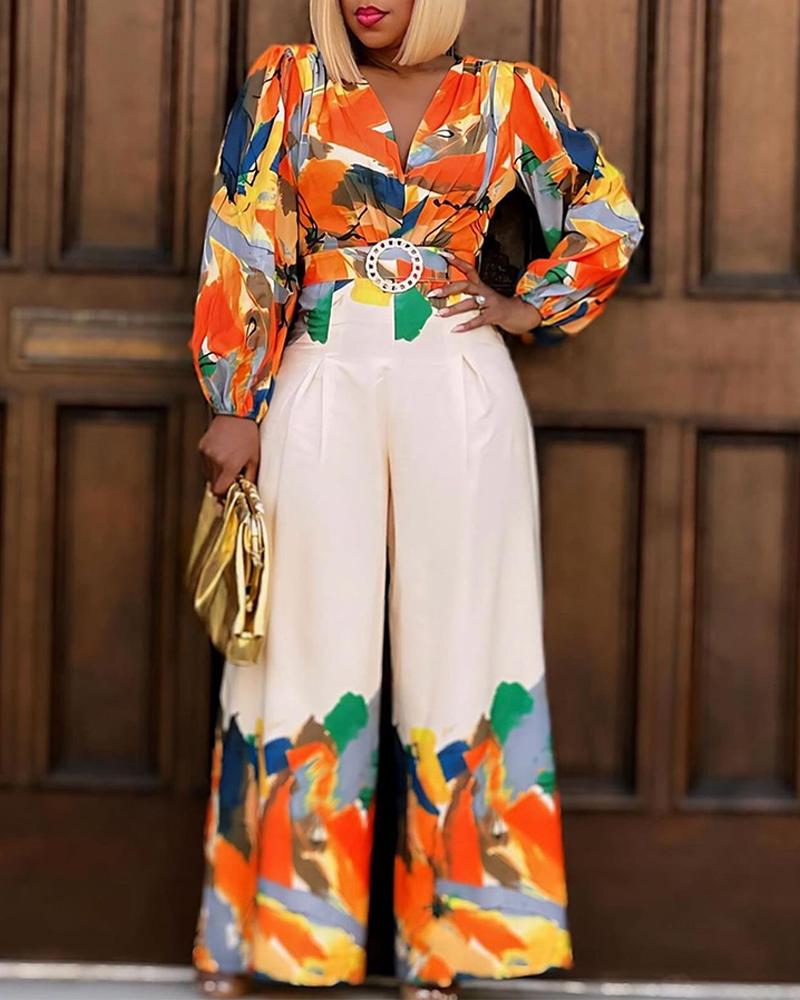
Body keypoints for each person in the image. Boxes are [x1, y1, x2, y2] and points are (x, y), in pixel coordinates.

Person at [188, 1, 644, 997]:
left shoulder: (511, 97)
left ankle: (451, 944)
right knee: (300, 651)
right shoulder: (288, 84)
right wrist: (234, 400)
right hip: (318, 375)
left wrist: (525, 304)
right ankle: (278, 937)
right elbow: (244, 241)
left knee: (468, 648)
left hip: (459, 381)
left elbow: (606, 216)